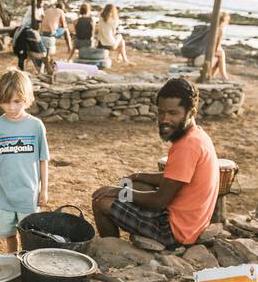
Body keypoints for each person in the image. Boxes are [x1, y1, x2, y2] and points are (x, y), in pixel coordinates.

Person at [90, 77, 218, 250]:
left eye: (173, 113)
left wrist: (120, 191)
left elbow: (159, 201)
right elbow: (176, 176)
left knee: (102, 200)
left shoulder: (187, 146)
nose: (164, 119)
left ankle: (113, 251)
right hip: (190, 222)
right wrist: (137, 176)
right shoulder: (196, 135)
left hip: (174, 233)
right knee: (136, 184)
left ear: (192, 112)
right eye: (161, 112)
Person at [0, 70, 50, 254]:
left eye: (16, 101)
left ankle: (28, 264)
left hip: (28, 195)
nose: (11, 107)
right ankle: (12, 259)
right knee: (7, 232)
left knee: (29, 234)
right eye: (5, 101)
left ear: (27, 98)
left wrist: (44, 190)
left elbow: (43, 160)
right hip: (4, 196)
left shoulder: (35, 126)